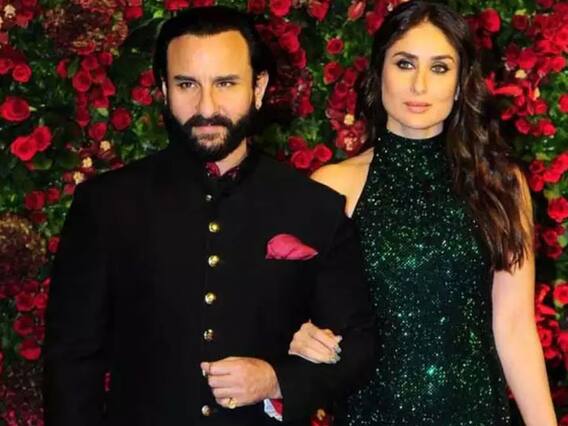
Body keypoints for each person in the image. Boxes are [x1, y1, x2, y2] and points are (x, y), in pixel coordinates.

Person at [43, 6, 376, 426]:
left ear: (258, 87)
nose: (206, 106)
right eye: (187, 84)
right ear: (164, 89)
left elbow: (360, 345)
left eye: (225, 83)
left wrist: (277, 380)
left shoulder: (312, 206)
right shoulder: (107, 204)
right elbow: (72, 362)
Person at [287, 2, 557, 425]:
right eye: (405, 63)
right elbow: (288, 306)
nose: (419, 84)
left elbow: (514, 327)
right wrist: (297, 333)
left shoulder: (500, 184)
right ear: (379, 72)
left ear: (460, 83)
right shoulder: (334, 186)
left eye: (439, 68)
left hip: (475, 414)